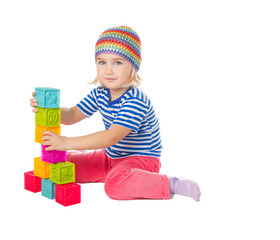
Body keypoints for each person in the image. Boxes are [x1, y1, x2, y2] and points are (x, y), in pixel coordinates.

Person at [30, 26, 201, 201]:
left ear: (133, 66)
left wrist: (66, 142)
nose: (108, 70)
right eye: (102, 62)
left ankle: (170, 184)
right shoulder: (100, 93)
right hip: (111, 156)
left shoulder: (135, 100)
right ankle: (114, 173)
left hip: (141, 160)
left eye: (117, 62)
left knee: (114, 187)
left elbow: (111, 137)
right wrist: (48, 109)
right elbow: (72, 115)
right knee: (64, 162)